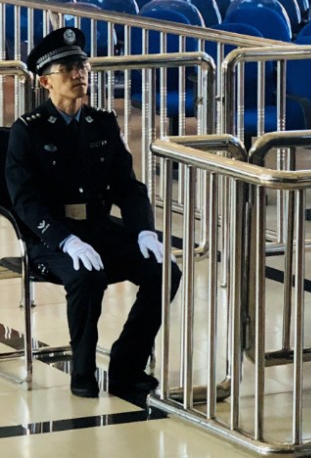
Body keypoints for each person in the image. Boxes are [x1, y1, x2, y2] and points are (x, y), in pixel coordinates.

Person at [5, 27, 182, 398]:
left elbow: (127, 187)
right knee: (87, 276)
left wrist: (144, 230)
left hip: (99, 227)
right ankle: (83, 371)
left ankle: (126, 364)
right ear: (45, 82)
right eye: (67, 69)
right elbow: (26, 201)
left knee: (164, 272)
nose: (78, 74)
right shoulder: (28, 131)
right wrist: (66, 240)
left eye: (82, 66)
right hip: (50, 238)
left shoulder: (101, 123)